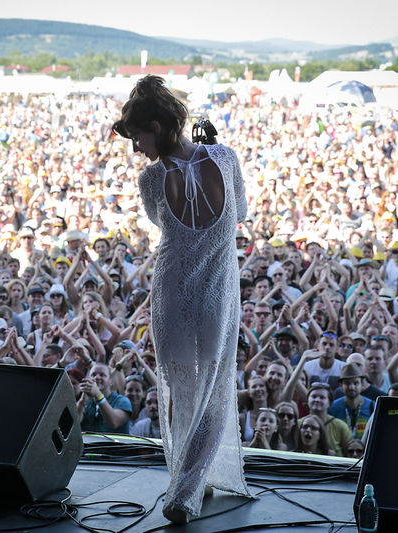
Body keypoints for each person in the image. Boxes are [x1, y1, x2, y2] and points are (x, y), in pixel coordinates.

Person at [114, 75, 250, 523]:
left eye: (138, 136)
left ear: (157, 124)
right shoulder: (226, 158)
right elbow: (240, 214)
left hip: (172, 291)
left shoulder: (152, 180)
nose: (137, 148)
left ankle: (183, 484)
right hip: (217, 290)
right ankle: (188, 490)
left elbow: (161, 221)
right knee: (214, 387)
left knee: (180, 387)